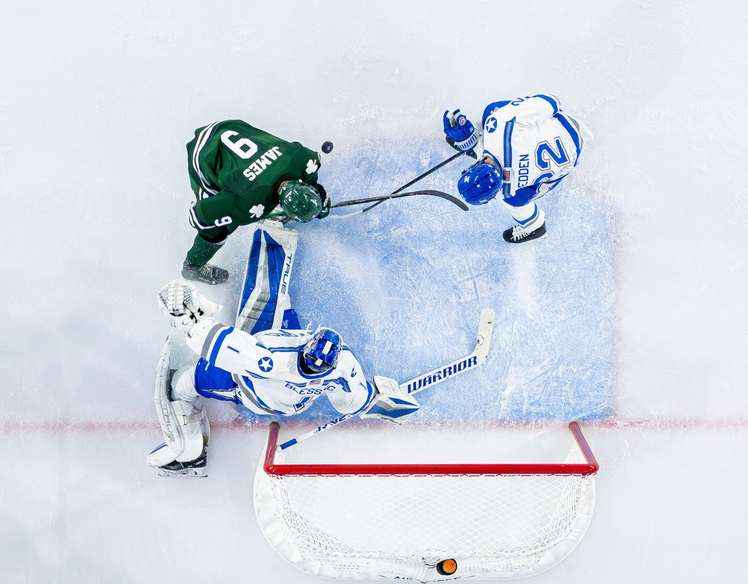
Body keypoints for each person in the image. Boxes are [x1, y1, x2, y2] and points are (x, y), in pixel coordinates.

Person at [148, 280, 419, 477]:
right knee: (279, 301)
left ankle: (189, 454)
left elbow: (225, 345)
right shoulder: (343, 366)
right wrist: (386, 403)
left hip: (250, 390)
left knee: (182, 385)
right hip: (294, 398)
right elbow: (353, 403)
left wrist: (191, 318)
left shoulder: (269, 361)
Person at [180, 119, 332, 284]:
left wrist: (321, 205)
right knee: (218, 230)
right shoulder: (248, 204)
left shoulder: (304, 159)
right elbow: (200, 215)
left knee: (239, 202)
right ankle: (192, 267)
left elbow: (310, 179)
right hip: (205, 153)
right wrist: (227, 216)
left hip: (231, 127)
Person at [442, 94, 592, 244]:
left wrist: (469, 142)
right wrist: (470, 138)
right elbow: (552, 101)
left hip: (574, 157)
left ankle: (534, 225)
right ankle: (475, 144)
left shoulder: (505, 192)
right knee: (490, 112)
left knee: (516, 200)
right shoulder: (498, 126)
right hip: (567, 128)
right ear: (474, 166)